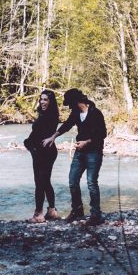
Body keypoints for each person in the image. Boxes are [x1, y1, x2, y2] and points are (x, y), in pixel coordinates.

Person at [42, 88, 107, 226]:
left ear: (76, 101)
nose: (69, 106)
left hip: (94, 152)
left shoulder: (96, 113)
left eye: (70, 103)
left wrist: (86, 142)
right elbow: (66, 125)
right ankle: (77, 210)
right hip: (80, 152)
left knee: (92, 183)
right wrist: (52, 137)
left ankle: (96, 215)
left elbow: (102, 134)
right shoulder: (76, 113)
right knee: (72, 181)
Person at [23, 89, 61, 223]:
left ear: (51, 101)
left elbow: (40, 133)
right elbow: (37, 134)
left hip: (46, 152)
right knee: (44, 182)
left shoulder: (51, 115)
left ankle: (38, 214)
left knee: (40, 182)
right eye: (41, 99)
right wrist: (29, 144)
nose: (42, 102)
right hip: (39, 152)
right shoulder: (43, 114)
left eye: (46, 99)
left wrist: (28, 142)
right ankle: (51, 211)